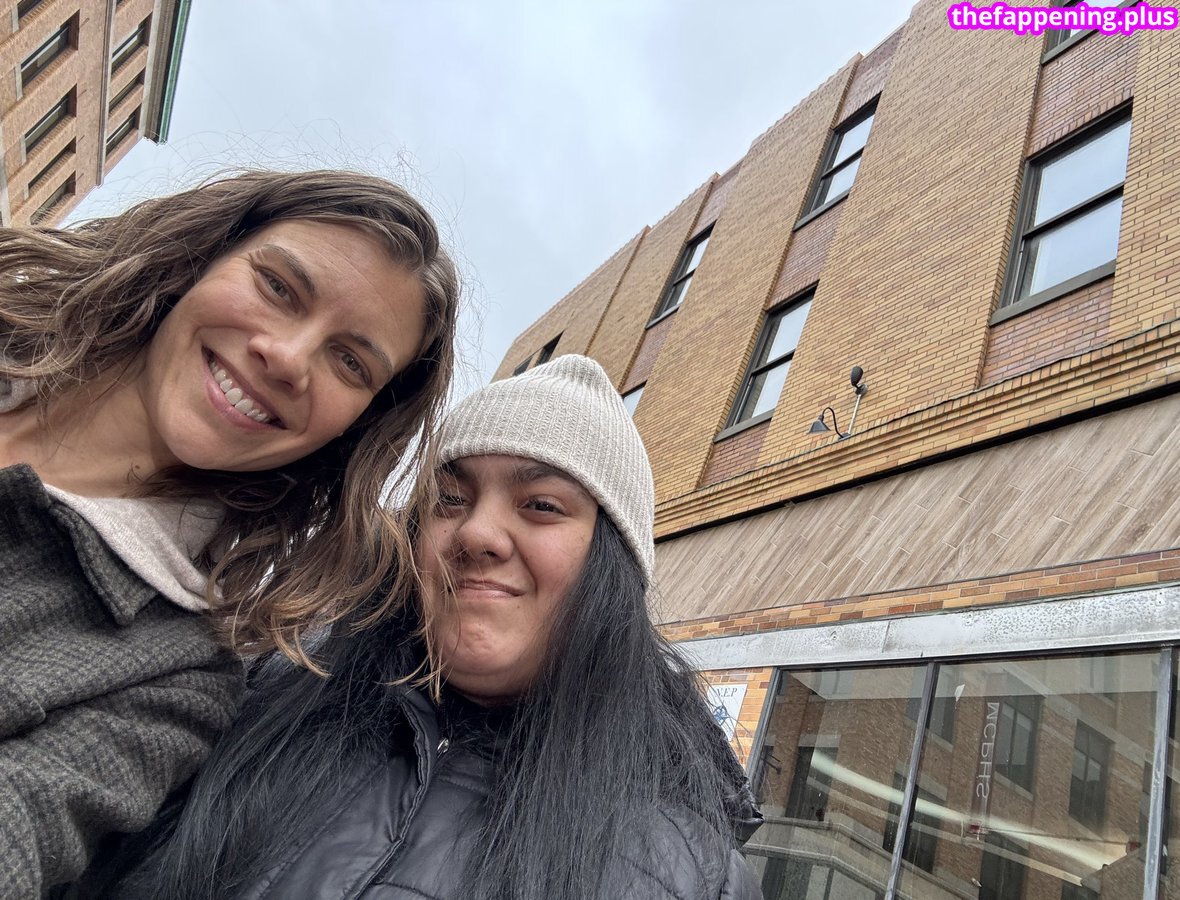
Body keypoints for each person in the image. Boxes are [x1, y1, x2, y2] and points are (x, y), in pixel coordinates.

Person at [92, 354, 763, 900]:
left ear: (611, 566)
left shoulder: (695, 875)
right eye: (449, 498)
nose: (475, 532)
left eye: (540, 504)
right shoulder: (260, 695)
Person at [0, 169, 460, 897]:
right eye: (279, 287)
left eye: (350, 361)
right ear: (203, 253)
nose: (288, 358)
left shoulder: (175, 674)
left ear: (355, 427)